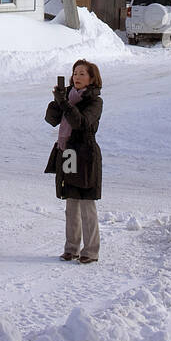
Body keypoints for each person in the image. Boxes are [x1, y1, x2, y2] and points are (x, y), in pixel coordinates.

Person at [44, 59, 103, 263]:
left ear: (92, 78)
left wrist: (65, 103)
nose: (76, 77)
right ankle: (71, 248)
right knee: (71, 203)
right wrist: (57, 100)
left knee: (87, 205)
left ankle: (91, 251)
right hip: (68, 153)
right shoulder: (68, 96)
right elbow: (52, 120)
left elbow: (81, 123)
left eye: (81, 74)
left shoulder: (95, 101)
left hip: (86, 155)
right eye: (74, 73)